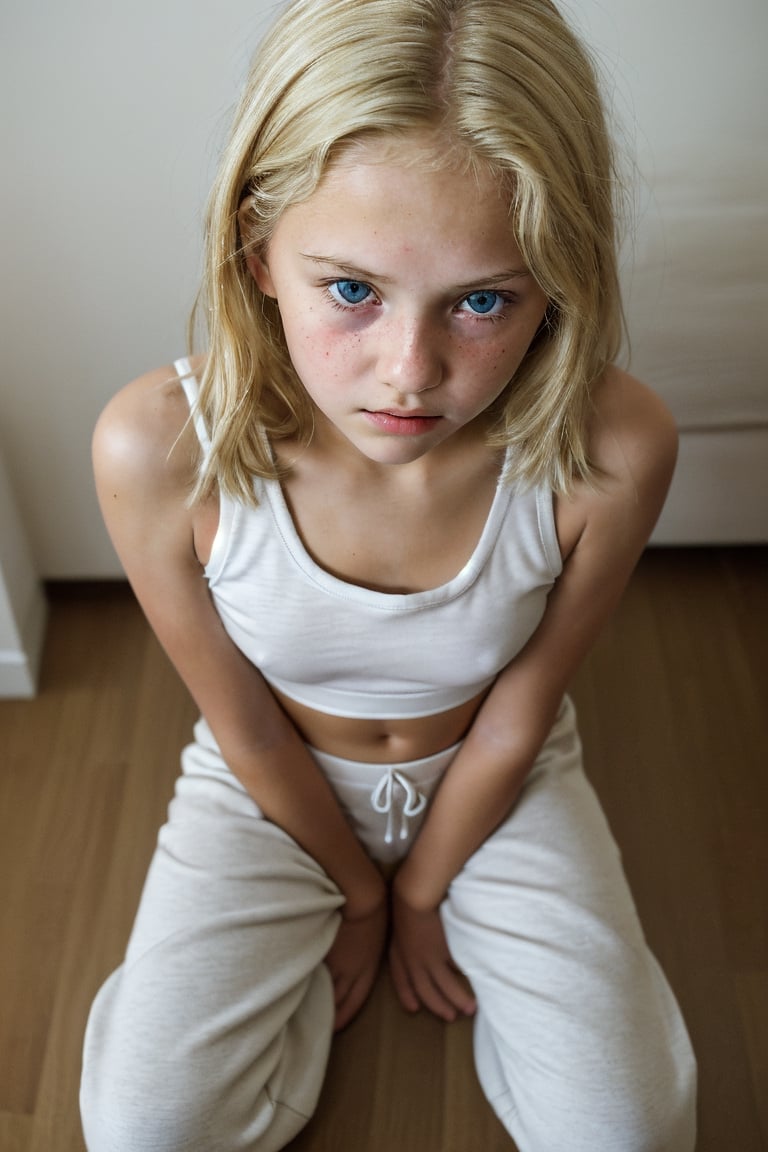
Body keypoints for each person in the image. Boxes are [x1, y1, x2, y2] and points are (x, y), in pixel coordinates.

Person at [79, 0, 697, 1148]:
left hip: (498, 778)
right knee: (144, 1128)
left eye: (482, 301)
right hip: (265, 788)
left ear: (555, 283)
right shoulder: (159, 446)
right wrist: (357, 894)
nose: (409, 374)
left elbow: (523, 707)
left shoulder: (613, 446)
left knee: (632, 1126)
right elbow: (246, 728)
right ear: (258, 248)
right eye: (352, 292)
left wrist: (422, 892)